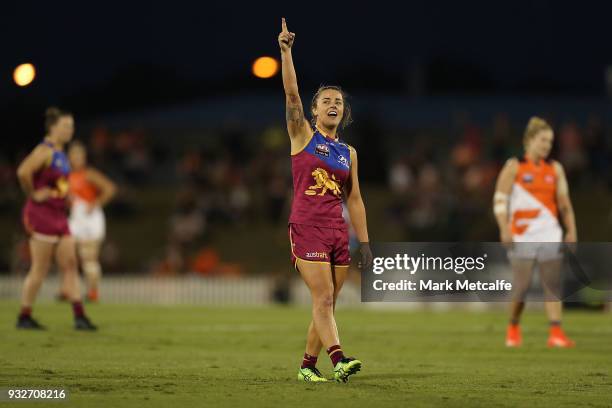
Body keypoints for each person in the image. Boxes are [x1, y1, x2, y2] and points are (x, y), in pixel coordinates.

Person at [279, 18, 373, 382]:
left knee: (327, 303)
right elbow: (290, 96)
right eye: (325, 101)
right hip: (307, 226)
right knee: (323, 299)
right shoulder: (301, 134)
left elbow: (357, 200)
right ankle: (339, 360)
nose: (333, 104)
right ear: (314, 111)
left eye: (338, 102)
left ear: (342, 113)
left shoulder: (348, 153)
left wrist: (364, 242)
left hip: (337, 231)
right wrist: (285, 52)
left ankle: (306, 366)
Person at [493, 117, 577, 348]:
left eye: (550, 141)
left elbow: (564, 204)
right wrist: (503, 228)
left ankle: (556, 333)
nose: (547, 145)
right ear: (529, 140)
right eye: (543, 140)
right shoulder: (515, 166)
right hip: (522, 233)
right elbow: (500, 200)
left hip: (549, 231)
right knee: (523, 285)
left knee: (552, 283)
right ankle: (513, 326)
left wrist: (571, 230)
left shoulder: (555, 168)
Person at [16, 107, 97, 330]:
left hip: (59, 216)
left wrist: (65, 195)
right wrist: (33, 193)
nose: (70, 130)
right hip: (41, 216)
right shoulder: (45, 150)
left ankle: (79, 316)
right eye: (65, 126)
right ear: (53, 127)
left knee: (70, 265)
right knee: (40, 269)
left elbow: (57, 184)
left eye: (71, 126)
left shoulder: (61, 153)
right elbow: (23, 172)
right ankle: (24, 316)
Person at [60, 141, 116, 302]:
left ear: (84, 157)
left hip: (90, 217)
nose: (77, 158)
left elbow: (110, 188)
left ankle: (93, 292)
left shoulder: (89, 173)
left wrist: (96, 203)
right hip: (75, 217)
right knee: (66, 253)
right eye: (74, 155)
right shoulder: (65, 176)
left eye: (79, 155)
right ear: (69, 158)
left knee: (88, 257)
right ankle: (67, 289)